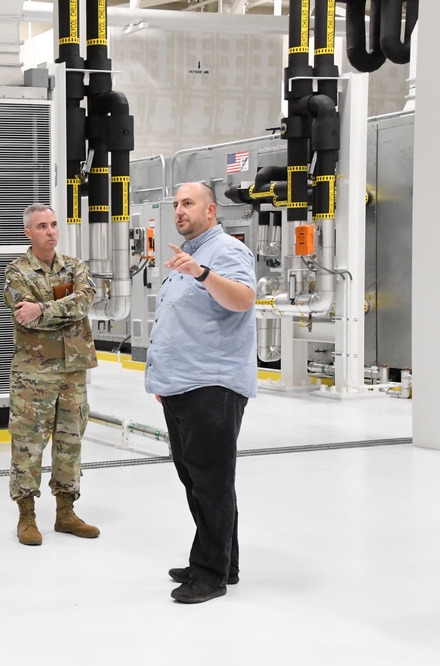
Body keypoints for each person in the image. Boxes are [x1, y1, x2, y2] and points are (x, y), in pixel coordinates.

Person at [145, 181, 256, 604]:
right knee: (198, 479)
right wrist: (165, 376)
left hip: (213, 384)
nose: (179, 211)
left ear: (211, 210)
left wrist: (202, 273)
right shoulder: (189, 255)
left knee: (210, 480)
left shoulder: (224, 251)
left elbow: (244, 299)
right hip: (183, 383)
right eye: (175, 204)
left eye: (187, 203)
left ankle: (210, 575)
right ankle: (223, 561)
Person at [3, 204, 100, 546]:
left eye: (54, 224)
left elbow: (86, 301)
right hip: (34, 375)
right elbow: (23, 317)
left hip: (72, 371)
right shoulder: (17, 273)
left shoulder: (75, 266)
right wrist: (61, 311)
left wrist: (44, 309)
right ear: (28, 232)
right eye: (42, 226)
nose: (51, 231)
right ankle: (26, 515)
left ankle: (65, 512)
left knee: (70, 442)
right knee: (28, 443)